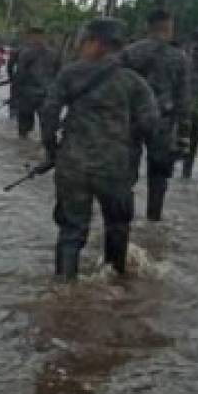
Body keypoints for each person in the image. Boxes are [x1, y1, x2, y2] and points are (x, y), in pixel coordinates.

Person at [41, 19, 158, 280]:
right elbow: (151, 124)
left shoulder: (69, 74)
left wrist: (52, 150)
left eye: (84, 41)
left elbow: (48, 113)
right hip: (115, 167)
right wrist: (126, 142)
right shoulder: (134, 82)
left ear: (95, 43)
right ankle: (115, 285)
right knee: (117, 227)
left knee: (71, 231)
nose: (81, 47)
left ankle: (64, 288)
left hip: (72, 165)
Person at [120, 9, 191, 222]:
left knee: (126, 172)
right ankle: (153, 219)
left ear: (147, 27)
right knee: (159, 174)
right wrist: (184, 131)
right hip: (163, 121)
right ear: (168, 29)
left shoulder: (129, 52)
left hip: (131, 119)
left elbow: (117, 87)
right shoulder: (179, 58)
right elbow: (183, 97)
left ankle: (123, 219)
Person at [10, 27, 60, 141]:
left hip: (29, 94)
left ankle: (23, 144)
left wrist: (14, 95)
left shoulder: (25, 53)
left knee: (24, 127)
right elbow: (59, 75)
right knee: (46, 125)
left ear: (30, 37)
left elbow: (20, 75)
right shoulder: (54, 53)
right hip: (46, 94)